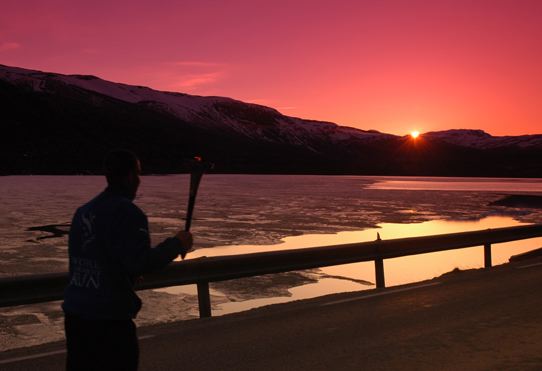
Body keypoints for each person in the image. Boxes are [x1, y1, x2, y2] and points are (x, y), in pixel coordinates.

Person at [62, 150, 193, 371]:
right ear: (130, 176)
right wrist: (177, 244)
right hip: (109, 322)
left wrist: (126, 275)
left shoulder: (83, 212)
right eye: (138, 173)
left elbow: (95, 257)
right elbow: (141, 262)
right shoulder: (128, 213)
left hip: (76, 317)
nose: (139, 180)